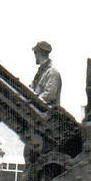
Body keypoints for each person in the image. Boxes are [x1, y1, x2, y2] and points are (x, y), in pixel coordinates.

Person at [24, 40, 63, 170]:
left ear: (38, 53)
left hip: (46, 124)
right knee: (30, 155)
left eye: (35, 53)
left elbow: (48, 96)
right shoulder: (41, 73)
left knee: (37, 157)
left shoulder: (52, 73)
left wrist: (32, 102)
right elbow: (32, 90)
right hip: (38, 122)